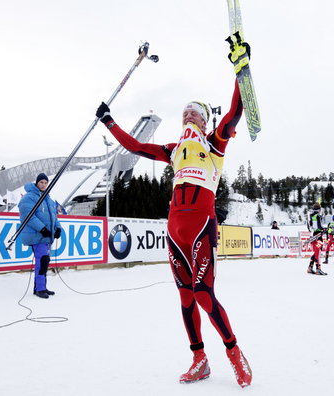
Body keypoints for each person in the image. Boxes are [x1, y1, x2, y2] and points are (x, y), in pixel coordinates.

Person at [94, 46, 252, 388]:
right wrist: (109, 121)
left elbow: (235, 114)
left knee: (204, 294)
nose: (187, 119)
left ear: (204, 120)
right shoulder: (173, 151)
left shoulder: (214, 145)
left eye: (193, 115)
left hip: (200, 228)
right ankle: (199, 359)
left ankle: (234, 352)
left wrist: (241, 69)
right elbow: (135, 147)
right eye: (184, 115)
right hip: (175, 232)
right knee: (184, 296)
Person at [18, 173, 62, 298]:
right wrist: (42, 229)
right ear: (36, 183)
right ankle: (40, 289)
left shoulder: (48, 198)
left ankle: (41, 287)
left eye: (45, 182)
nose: (43, 185)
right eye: (41, 182)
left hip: (47, 236)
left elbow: (54, 216)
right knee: (42, 261)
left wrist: (58, 228)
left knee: (44, 261)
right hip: (37, 236)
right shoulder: (29, 197)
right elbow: (28, 216)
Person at [307, 203, 327, 275]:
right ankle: (318, 269)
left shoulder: (310, 216)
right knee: (318, 252)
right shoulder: (318, 216)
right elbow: (319, 226)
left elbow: (309, 227)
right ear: (319, 209)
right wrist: (324, 229)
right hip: (318, 236)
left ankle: (310, 267)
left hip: (312, 236)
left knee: (316, 252)